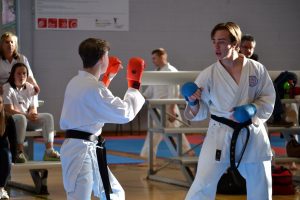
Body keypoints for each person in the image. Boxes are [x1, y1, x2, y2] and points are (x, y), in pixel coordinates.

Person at [182, 22, 275, 200]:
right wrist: (193, 102)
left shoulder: (256, 69)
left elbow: (268, 97)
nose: (217, 46)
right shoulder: (208, 74)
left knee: (260, 182)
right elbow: (200, 112)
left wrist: (252, 108)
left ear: (235, 44)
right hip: (219, 131)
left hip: (252, 131)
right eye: (214, 41)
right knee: (203, 182)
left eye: (222, 41)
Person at [60, 38, 145, 200]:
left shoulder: (76, 82)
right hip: (80, 153)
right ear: (101, 59)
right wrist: (134, 85)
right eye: (107, 55)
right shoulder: (93, 88)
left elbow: (95, 101)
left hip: (86, 148)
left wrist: (108, 77)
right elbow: (124, 113)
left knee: (114, 193)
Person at [140, 48, 193, 158]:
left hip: (168, 107)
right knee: (160, 133)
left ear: (162, 56)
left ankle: (147, 156)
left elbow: (174, 91)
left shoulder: (171, 71)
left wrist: (172, 108)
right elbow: (151, 89)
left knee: (165, 133)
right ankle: (188, 151)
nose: (153, 60)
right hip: (156, 108)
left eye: (154, 58)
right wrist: (141, 96)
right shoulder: (156, 72)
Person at [2, 62, 60, 163]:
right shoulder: (7, 87)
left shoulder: (30, 87)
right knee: (21, 118)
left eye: (24, 73)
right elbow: (8, 109)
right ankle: (19, 151)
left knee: (48, 117)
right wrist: (27, 115)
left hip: (26, 119)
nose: (22, 76)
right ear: (13, 75)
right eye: (19, 74)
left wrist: (33, 114)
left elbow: (33, 107)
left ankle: (49, 151)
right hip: (13, 121)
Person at [0, 96, 15, 199]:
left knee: (6, 156)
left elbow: (13, 140)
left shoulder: (8, 118)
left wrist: (13, 158)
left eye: (0, 102)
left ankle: (1, 188)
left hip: (1, 149)